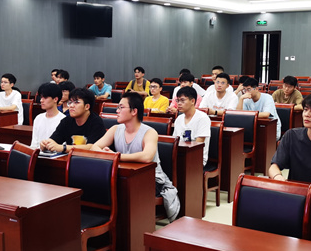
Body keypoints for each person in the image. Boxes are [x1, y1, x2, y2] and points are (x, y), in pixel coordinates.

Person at [93, 92, 180, 221]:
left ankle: (131, 226)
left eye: (121, 107)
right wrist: (107, 154)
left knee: (119, 189)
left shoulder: (149, 132)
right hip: (125, 175)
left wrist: (116, 156)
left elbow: (147, 157)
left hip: (152, 179)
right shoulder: (115, 129)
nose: (117, 111)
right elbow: (95, 147)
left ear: (134, 111)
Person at [41, 88, 106, 153]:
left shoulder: (96, 122)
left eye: (76, 102)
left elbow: (92, 147)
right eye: (70, 102)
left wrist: (64, 148)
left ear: (87, 106)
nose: (71, 106)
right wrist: (46, 144)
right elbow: (54, 140)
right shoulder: (66, 121)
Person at [172, 86, 211, 165]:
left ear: (192, 101)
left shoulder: (202, 118)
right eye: (178, 100)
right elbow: (174, 141)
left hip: (196, 158)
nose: (179, 103)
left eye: (182, 100)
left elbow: (197, 146)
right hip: (180, 155)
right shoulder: (179, 119)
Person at [30, 83, 65, 149]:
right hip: (38, 152)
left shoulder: (63, 120)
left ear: (55, 99)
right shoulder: (38, 118)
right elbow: (34, 145)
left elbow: (63, 146)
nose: (41, 100)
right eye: (41, 97)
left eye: (45, 98)